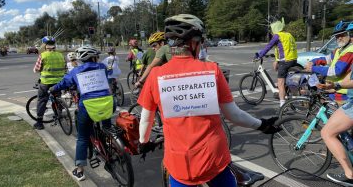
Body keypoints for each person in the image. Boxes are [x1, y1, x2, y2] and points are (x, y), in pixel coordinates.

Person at [137, 14, 281, 187]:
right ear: (193, 43)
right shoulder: (211, 70)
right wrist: (262, 125)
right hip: (214, 158)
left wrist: (143, 142)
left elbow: (146, 119)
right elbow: (234, 114)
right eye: (201, 42)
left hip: (180, 164)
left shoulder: (155, 75)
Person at [49, 46, 113, 181]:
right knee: (107, 127)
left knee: (83, 137)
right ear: (94, 57)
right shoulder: (101, 67)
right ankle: (110, 142)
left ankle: (79, 171)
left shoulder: (76, 71)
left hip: (88, 107)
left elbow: (64, 83)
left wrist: (53, 88)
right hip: (108, 104)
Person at [305, 20, 353, 105]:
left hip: (342, 93)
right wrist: (313, 62)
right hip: (333, 89)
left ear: (349, 34)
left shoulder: (350, 50)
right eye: (337, 36)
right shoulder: (340, 49)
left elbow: (337, 71)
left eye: (342, 35)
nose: (339, 38)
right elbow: (327, 59)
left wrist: (313, 68)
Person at [255, 18, 298, 107]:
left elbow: (268, 46)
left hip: (285, 61)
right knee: (276, 66)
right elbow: (283, 48)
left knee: (280, 82)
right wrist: (276, 59)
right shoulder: (288, 34)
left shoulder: (277, 36)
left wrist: (260, 55)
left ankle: (282, 104)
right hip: (293, 60)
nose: (271, 31)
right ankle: (287, 92)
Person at [32, 36, 66, 130]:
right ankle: (58, 115)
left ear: (45, 45)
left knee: (42, 100)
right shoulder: (60, 55)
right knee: (57, 98)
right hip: (58, 82)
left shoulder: (43, 55)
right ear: (54, 46)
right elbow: (65, 68)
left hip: (46, 82)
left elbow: (37, 69)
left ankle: (39, 123)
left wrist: (36, 70)